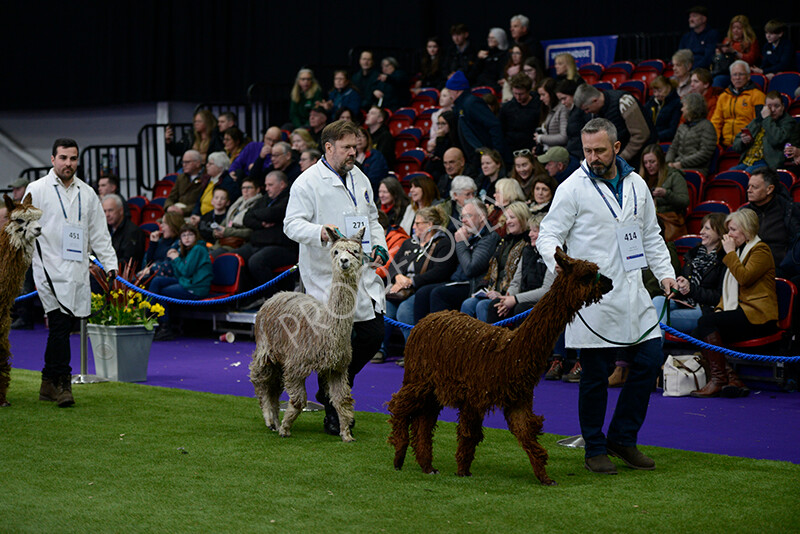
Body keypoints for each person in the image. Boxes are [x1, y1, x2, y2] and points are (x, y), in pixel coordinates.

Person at [536, 118, 678, 474]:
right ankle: (594, 447)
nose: (593, 157)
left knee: (649, 357)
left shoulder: (637, 185)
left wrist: (666, 274)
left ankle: (623, 438)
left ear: (616, 147)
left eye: (600, 150)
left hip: (634, 292)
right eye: (587, 151)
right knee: (596, 374)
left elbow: (650, 234)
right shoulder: (572, 187)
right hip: (593, 296)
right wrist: (559, 263)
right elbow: (548, 233)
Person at [283, 119, 388, 436]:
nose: (353, 153)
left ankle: (330, 391)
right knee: (334, 345)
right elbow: (291, 225)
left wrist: (380, 245)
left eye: (356, 147)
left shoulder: (361, 178)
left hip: (361, 271)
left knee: (372, 334)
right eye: (347, 148)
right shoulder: (306, 183)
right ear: (328, 148)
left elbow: (372, 218)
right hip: (325, 278)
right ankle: (334, 408)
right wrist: (322, 232)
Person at [27, 138, 118, 407]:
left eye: (73, 158)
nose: (69, 163)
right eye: (64, 158)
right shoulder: (37, 189)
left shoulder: (88, 193)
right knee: (59, 322)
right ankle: (63, 385)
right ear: (52, 159)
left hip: (76, 267)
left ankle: (47, 382)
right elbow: (21, 227)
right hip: (47, 267)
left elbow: (99, 233)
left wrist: (110, 264)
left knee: (64, 326)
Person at [690, 209, 777, 398]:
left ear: (747, 231)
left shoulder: (760, 250)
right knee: (700, 330)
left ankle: (719, 380)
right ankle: (731, 379)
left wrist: (729, 254)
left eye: (733, 230)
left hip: (758, 316)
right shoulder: (738, 251)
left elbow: (744, 278)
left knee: (706, 323)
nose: (728, 235)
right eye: (728, 230)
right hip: (741, 312)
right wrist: (720, 310)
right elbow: (727, 291)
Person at [385, 206, 457, 347]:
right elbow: (393, 265)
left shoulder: (444, 244)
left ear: (430, 225)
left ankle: (412, 352)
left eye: (417, 223)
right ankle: (381, 349)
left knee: (404, 311)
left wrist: (412, 281)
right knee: (385, 308)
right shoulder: (409, 243)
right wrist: (398, 277)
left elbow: (440, 272)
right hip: (401, 287)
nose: (413, 227)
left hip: (421, 289)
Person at [416, 198, 499, 320]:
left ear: (481, 218)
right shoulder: (469, 235)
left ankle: (443, 337)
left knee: (439, 294)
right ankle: (421, 337)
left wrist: (460, 243)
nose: (464, 221)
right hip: (458, 281)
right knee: (423, 293)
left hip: (474, 285)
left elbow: (471, 268)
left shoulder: (489, 237)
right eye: (462, 217)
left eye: (468, 216)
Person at [653, 212, 727, 335]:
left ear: (719, 232)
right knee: (658, 301)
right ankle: (655, 350)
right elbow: (685, 288)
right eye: (702, 227)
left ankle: (654, 352)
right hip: (685, 302)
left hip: (706, 309)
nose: (701, 232)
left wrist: (690, 289)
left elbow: (719, 297)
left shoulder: (725, 259)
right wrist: (680, 286)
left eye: (707, 228)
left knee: (657, 318)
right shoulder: (693, 254)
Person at [460, 201, 529, 322]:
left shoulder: (527, 244)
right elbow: (491, 269)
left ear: (523, 218)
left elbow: (521, 278)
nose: (508, 222)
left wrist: (503, 294)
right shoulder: (504, 242)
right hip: (493, 291)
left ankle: (487, 341)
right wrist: (482, 290)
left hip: (511, 294)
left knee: (482, 305)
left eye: (512, 217)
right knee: (469, 303)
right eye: (507, 218)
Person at [151, 224, 213, 341]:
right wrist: (176, 259)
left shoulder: (198, 249)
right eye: (184, 235)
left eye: (190, 234)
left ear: (196, 236)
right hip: (187, 282)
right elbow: (179, 274)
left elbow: (186, 271)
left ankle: (162, 326)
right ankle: (150, 315)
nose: (187, 238)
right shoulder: (188, 250)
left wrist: (176, 258)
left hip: (196, 287)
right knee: (157, 281)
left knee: (161, 294)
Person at [237, 171, 297, 289]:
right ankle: (247, 298)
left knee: (256, 262)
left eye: (270, 185)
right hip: (257, 244)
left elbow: (275, 213)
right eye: (266, 185)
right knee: (235, 258)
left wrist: (257, 215)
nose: (267, 188)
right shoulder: (265, 199)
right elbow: (246, 218)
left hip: (282, 247)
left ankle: (272, 297)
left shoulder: (291, 197)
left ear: (282, 184)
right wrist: (262, 223)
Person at [574, 84, 655, 166]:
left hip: (642, 156)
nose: (587, 112)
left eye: (587, 109)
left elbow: (641, 135)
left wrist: (621, 158)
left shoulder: (624, 101)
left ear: (595, 100)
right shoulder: (595, 113)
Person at [445, 70, 510, 168]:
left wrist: (497, 153)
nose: (449, 95)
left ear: (457, 90)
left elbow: (494, 125)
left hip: (487, 157)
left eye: (450, 91)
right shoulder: (461, 105)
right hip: (477, 158)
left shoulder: (471, 103)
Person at [739, 168, 800, 266]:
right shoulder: (744, 212)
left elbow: (796, 244)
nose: (749, 190)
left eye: (754, 187)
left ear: (769, 189)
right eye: (748, 186)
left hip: (779, 267)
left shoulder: (789, 210)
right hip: (748, 266)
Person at [731, 91, 800, 172]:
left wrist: (767, 119)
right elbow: (735, 146)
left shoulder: (788, 122)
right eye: (769, 106)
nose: (773, 109)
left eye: (777, 106)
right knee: (729, 174)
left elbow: (777, 140)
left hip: (767, 163)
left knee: (748, 173)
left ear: (783, 107)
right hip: (747, 161)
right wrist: (743, 141)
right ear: (765, 107)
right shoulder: (758, 120)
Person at [639, 144, 690, 241]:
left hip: (668, 220)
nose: (648, 166)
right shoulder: (641, 179)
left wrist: (666, 194)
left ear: (660, 161)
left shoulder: (674, 176)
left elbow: (684, 201)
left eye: (652, 162)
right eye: (645, 163)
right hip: (647, 220)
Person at [710, 60, 765, 148]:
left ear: (748, 77)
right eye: (734, 75)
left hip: (747, 145)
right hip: (725, 145)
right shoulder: (724, 96)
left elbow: (759, 124)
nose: (737, 78)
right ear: (731, 78)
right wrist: (714, 145)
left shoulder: (758, 96)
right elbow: (716, 122)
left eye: (741, 74)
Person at [666, 92, 718, 176]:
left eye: (684, 106)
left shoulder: (707, 127)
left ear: (692, 107)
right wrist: (668, 162)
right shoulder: (682, 126)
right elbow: (673, 148)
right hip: (676, 166)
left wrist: (681, 163)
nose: (681, 109)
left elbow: (705, 153)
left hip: (696, 168)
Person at [189, 151, 240, 221]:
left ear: (220, 167)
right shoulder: (208, 180)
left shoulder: (228, 183)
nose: (207, 165)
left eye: (211, 164)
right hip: (201, 218)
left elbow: (226, 208)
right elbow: (199, 201)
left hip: (215, 219)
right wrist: (194, 214)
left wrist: (201, 219)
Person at [713, 15, 759, 87]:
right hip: (726, 70)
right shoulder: (727, 40)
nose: (735, 30)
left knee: (718, 80)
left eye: (739, 28)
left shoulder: (751, 41)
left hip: (742, 73)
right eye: (733, 28)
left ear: (745, 29)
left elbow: (751, 59)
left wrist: (734, 52)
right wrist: (719, 54)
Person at [499, 73, 540, 154]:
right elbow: (502, 130)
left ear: (528, 91)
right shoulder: (507, 108)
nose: (518, 97)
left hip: (531, 148)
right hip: (511, 149)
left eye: (521, 94)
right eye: (515, 94)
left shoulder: (539, 105)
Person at [137, 212, 183, 283]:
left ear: (173, 225)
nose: (161, 226)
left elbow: (169, 266)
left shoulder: (179, 243)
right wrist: (153, 244)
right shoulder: (160, 241)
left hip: (163, 278)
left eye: (164, 223)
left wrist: (152, 269)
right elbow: (147, 262)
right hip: (151, 275)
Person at [102, 193, 145, 268]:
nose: (107, 215)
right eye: (104, 211)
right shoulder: (106, 229)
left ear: (121, 211)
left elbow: (129, 262)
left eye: (110, 210)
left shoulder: (133, 232)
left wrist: (102, 268)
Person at [164, 150, 206, 216]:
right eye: (183, 162)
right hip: (176, 213)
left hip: (193, 214)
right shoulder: (181, 178)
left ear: (197, 163)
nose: (184, 165)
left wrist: (183, 210)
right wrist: (169, 207)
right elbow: (171, 198)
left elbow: (201, 203)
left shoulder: (205, 178)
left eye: (187, 162)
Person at [557, 79, 590, 161]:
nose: (563, 102)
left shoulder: (582, 111)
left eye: (564, 98)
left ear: (574, 95)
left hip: (580, 156)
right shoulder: (572, 112)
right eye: (560, 100)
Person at [645, 76, 682, 142]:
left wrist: (654, 137)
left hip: (665, 140)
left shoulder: (676, 104)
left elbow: (672, 130)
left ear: (669, 88)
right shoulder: (651, 102)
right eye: (654, 91)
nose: (656, 94)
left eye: (659, 91)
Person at [534, 78, 568, 150]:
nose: (541, 98)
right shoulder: (549, 109)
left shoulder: (562, 109)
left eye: (543, 95)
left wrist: (540, 138)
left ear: (552, 93)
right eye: (540, 95)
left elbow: (563, 137)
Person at [355, 127, 389, 198]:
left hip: (373, 193)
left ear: (367, 139)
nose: (359, 139)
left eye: (362, 136)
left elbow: (374, 179)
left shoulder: (376, 156)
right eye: (356, 136)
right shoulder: (350, 156)